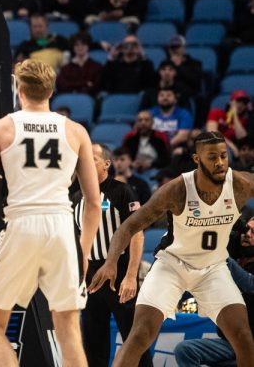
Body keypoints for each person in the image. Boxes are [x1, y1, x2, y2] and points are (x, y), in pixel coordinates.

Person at [0, 59, 101, 367]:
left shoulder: (2, 127)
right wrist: (84, 251)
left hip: (22, 224)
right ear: (51, 90)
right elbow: (93, 200)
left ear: (18, 89)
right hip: (63, 228)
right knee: (69, 333)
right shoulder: (76, 131)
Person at [90, 131, 254, 367]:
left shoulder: (240, 184)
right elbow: (129, 226)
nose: (219, 163)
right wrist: (111, 261)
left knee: (243, 337)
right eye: (211, 157)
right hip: (172, 265)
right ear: (197, 159)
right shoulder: (177, 189)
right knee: (140, 334)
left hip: (213, 267)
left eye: (223, 155)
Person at [74, 144, 151, 367]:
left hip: (120, 270)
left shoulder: (122, 191)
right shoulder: (77, 196)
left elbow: (137, 234)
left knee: (133, 339)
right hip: (90, 276)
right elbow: (79, 240)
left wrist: (131, 276)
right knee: (93, 342)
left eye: (93, 159)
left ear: (107, 164)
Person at [123, 111, 171, 175]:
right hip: (134, 170)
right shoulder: (130, 138)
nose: (143, 123)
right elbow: (123, 155)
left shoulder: (160, 137)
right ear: (136, 123)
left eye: (146, 120)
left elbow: (166, 160)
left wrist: (151, 164)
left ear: (152, 122)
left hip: (155, 170)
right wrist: (131, 163)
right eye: (140, 120)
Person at [208, 91, 251, 156]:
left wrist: (235, 116)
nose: (241, 105)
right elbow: (211, 132)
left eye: (244, 103)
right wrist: (231, 145)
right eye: (238, 101)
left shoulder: (243, 121)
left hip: (227, 150)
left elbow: (242, 138)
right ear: (231, 102)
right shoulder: (216, 112)